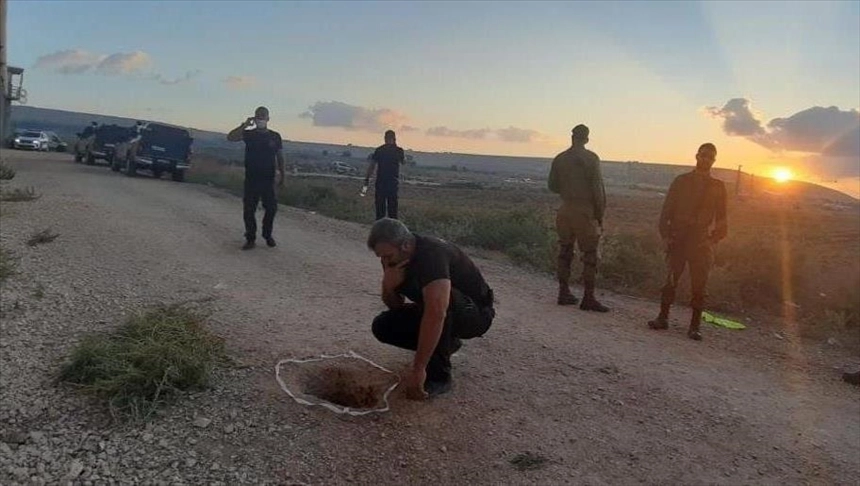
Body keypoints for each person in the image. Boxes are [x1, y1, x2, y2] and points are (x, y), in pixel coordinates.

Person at [368, 218, 495, 399]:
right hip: (439, 309)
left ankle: (439, 376)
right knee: (383, 326)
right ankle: (446, 345)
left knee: (441, 303)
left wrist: (418, 368)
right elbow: (396, 305)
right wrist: (388, 285)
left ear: (405, 245)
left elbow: (436, 313)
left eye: (387, 256)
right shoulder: (393, 259)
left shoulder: (432, 255)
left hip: (476, 315)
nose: (384, 261)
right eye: (380, 257)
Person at [647, 143, 727, 341]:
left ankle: (695, 326)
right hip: (678, 239)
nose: (706, 159)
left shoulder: (718, 187)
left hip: (700, 242)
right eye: (703, 155)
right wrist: (666, 236)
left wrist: (711, 240)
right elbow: (666, 211)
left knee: (699, 286)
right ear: (697, 156)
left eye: (710, 157)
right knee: (670, 282)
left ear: (714, 160)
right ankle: (663, 317)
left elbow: (722, 219)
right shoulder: (681, 181)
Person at [547, 124, 610, 312]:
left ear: (572, 137)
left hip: (565, 209)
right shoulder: (591, 158)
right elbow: (597, 189)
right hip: (584, 211)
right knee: (590, 254)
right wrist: (599, 214)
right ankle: (588, 298)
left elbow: (552, 186)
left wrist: (569, 190)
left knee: (565, 250)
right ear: (587, 139)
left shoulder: (560, 158)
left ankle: (563, 292)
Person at [227, 106, 286, 250]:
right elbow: (231, 137)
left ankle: (267, 234)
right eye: (258, 116)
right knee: (249, 210)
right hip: (252, 178)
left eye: (263, 116)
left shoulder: (275, 136)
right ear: (254, 117)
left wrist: (283, 175)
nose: (261, 119)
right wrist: (245, 125)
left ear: (268, 118)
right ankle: (250, 238)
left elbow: (280, 157)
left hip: (268, 179)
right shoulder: (249, 134)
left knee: (271, 208)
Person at [364, 130, 405, 220]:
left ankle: (380, 227)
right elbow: (402, 163)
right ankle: (392, 228)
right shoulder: (399, 151)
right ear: (394, 138)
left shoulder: (379, 150)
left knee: (380, 210)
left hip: (381, 182)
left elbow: (372, 166)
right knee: (392, 210)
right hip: (392, 183)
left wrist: (367, 179)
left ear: (385, 138)